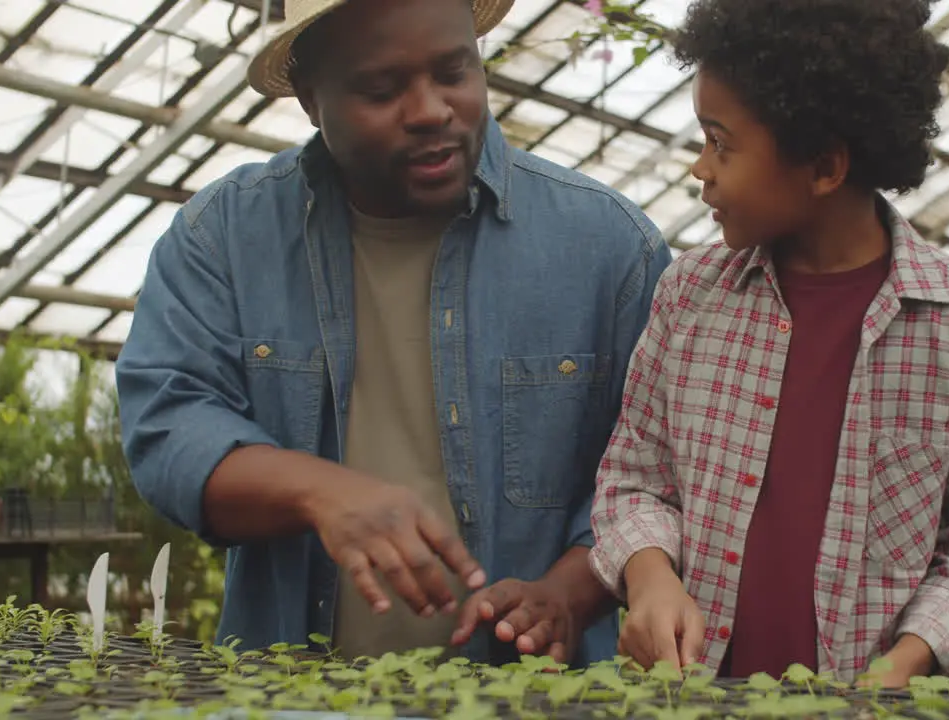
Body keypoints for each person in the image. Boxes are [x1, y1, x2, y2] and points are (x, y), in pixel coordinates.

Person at [115, 0, 672, 668]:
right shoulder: (227, 238)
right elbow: (166, 425)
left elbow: (660, 474)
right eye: (383, 89)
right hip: (293, 697)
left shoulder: (607, 248)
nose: (431, 109)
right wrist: (318, 491)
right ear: (311, 99)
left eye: (454, 72)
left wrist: (567, 594)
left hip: (535, 701)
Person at [588, 0, 949, 687]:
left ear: (824, 166)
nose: (700, 169)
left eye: (721, 143)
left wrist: (903, 662)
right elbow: (633, 481)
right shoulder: (691, 297)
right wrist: (650, 580)